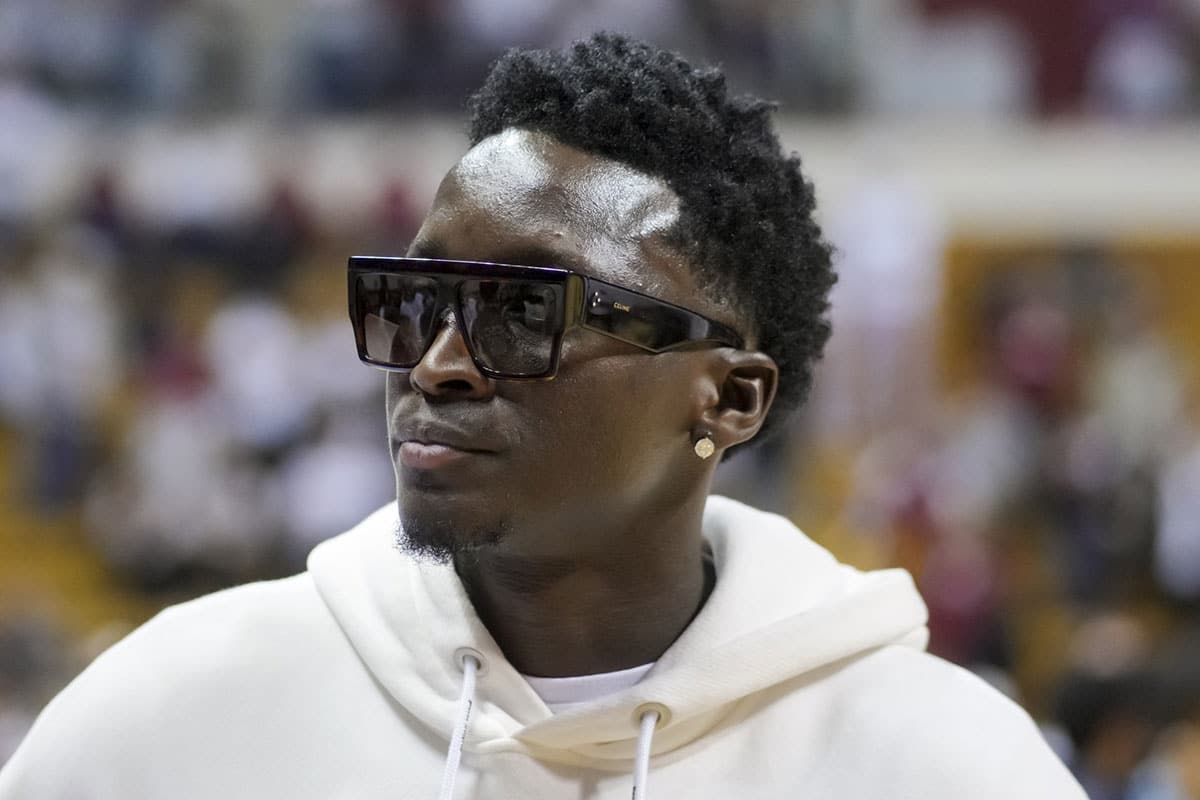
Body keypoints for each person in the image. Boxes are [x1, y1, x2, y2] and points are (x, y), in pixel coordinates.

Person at [0, 33, 1085, 799]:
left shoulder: (943, 763)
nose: (440, 361)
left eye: (524, 311)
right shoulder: (169, 716)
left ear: (730, 396)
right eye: (419, 299)